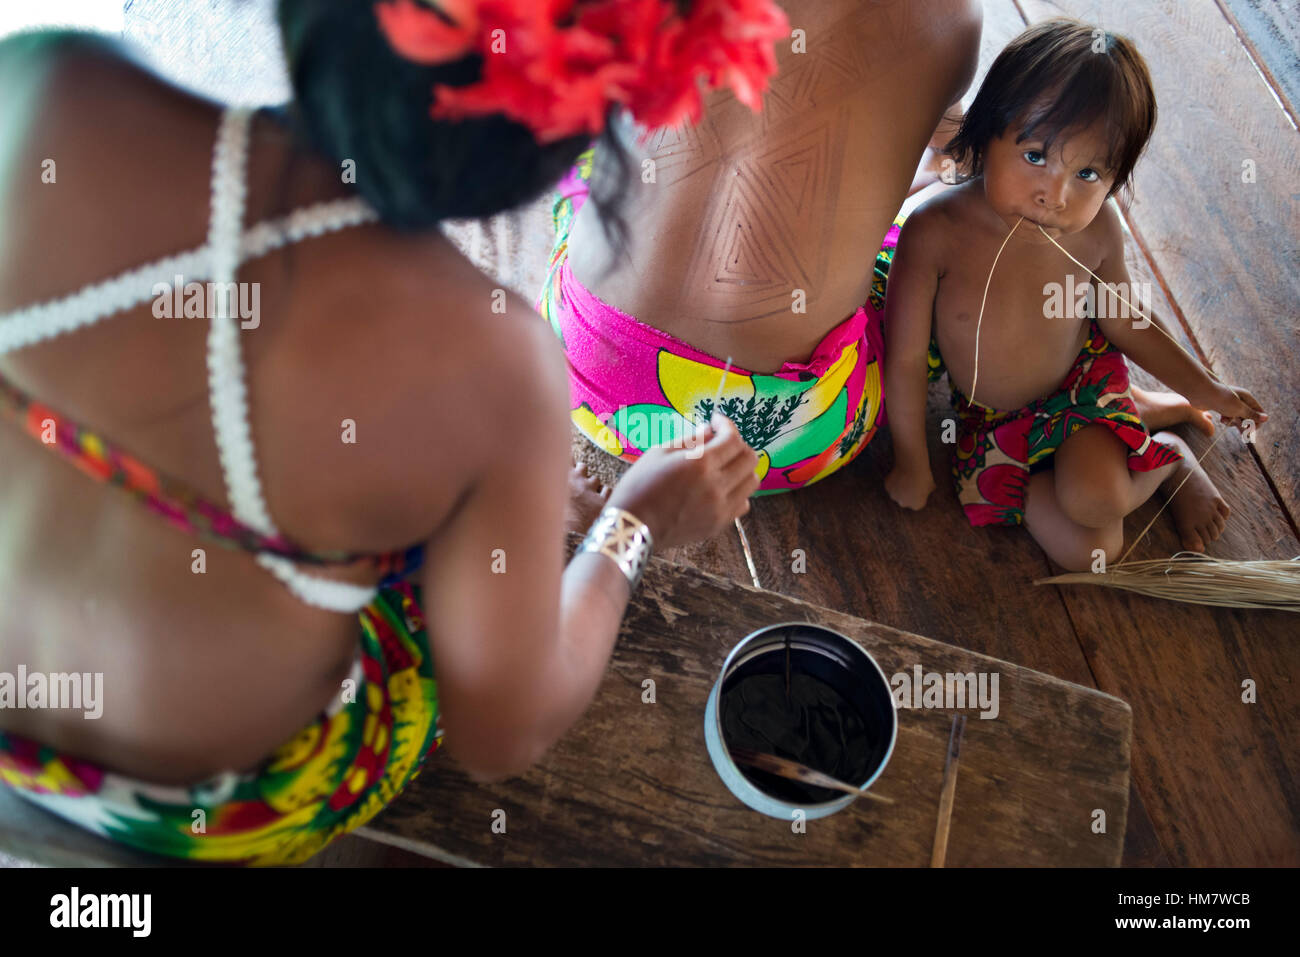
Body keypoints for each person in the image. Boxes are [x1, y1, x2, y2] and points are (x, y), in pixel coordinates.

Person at [0, 0, 773, 864]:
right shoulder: (493, 364)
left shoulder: (42, 85)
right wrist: (635, 522)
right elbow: (500, 729)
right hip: (221, 805)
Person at [542, 0, 987, 493]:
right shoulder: (953, 18)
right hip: (785, 440)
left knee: (587, 165)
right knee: (954, 214)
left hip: (582, 367)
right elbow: (956, 151)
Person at [881, 18, 1267, 570]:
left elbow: (1127, 322)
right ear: (987, 134)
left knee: (1098, 500)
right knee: (1092, 552)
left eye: (1087, 172)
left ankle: (1170, 459)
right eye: (1035, 156)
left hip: (1078, 394)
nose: (1054, 195)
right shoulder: (933, 231)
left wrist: (1211, 389)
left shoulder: (1096, 229)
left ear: (1115, 180)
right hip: (993, 421)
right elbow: (906, 358)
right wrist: (912, 462)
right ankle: (1147, 418)